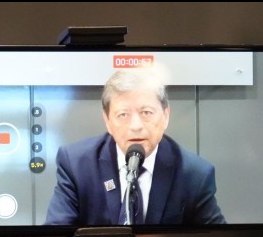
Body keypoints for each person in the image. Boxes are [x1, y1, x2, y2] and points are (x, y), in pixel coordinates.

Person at [44, 69, 227, 226]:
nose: (136, 126)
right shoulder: (77, 165)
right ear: (107, 121)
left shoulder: (194, 174)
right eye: (123, 115)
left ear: (165, 116)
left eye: (146, 112)